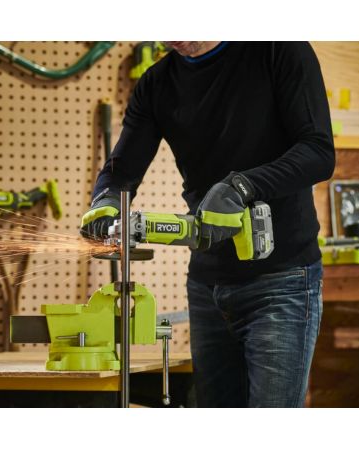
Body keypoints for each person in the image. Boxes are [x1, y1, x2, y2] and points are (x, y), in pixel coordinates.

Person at [80, 41, 335, 407]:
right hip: (207, 285)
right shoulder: (156, 83)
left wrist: (242, 186)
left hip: (282, 279)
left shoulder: (278, 49)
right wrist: (105, 201)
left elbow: (319, 152)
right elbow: (121, 170)